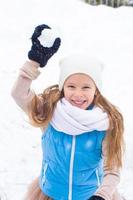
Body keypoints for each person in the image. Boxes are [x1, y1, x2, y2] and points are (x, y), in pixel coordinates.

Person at [11, 24, 125, 200]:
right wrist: (34, 62)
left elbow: (112, 170)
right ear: (63, 87)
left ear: (96, 90)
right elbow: (19, 94)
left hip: (90, 196)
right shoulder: (50, 111)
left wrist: (101, 196)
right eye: (71, 86)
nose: (78, 94)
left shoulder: (105, 125)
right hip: (50, 194)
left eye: (86, 87)